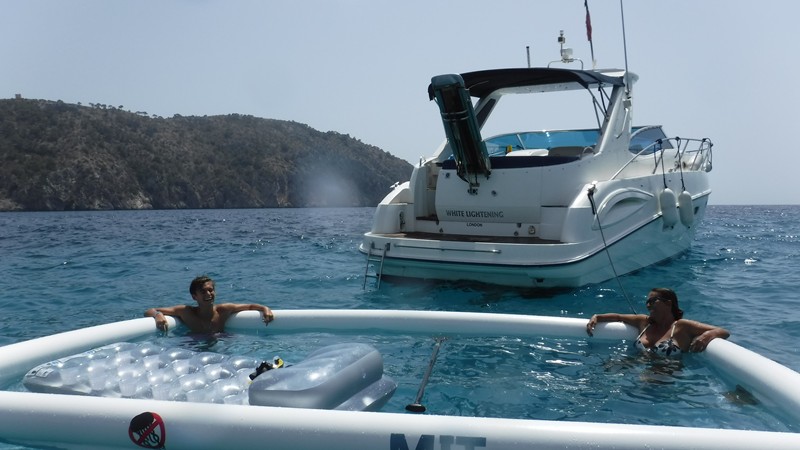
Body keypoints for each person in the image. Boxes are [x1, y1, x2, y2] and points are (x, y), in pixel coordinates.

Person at [585, 288, 729, 356]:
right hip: (634, 370)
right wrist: (597, 317)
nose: (648, 305)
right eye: (647, 302)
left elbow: (723, 332)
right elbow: (618, 317)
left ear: (668, 303)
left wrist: (707, 336)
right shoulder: (644, 322)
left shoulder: (682, 326)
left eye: (653, 301)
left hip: (665, 379)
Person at [144, 275, 274, 333]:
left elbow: (250, 306)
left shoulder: (223, 310)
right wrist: (158, 315)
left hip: (220, 341)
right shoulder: (186, 312)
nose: (208, 294)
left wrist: (265, 309)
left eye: (210, 290)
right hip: (194, 343)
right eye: (203, 292)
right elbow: (150, 310)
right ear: (194, 297)